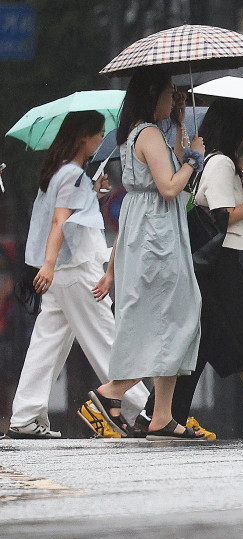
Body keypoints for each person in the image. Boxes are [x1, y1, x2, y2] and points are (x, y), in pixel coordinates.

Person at [137, 99, 243, 438]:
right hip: (219, 263)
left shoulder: (217, 162)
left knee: (200, 344)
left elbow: (236, 198)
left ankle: (156, 414)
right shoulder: (220, 163)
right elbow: (223, 216)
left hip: (214, 263)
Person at [79, 67, 206, 441]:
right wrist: (195, 158)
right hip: (158, 236)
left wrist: (180, 124)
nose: (173, 97)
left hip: (148, 231)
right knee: (173, 319)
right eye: (169, 92)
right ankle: (111, 392)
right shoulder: (148, 133)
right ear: (153, 93)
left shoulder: (143, 133)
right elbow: (170, 186)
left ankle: (161, 415)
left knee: (170, 319)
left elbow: (169, 170)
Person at [7, 110, 149, 438]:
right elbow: (59, 221)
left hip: (62, 273)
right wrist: (49, 263)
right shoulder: (71, 175)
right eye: (98, 133)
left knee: (46, 346)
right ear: (83, 137)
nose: (101, 139)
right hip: (76, 270)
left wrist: (92, 193)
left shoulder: (61, 173)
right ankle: (142, 409)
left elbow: (68, 218)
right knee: (107, 339)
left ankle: (25, 416)